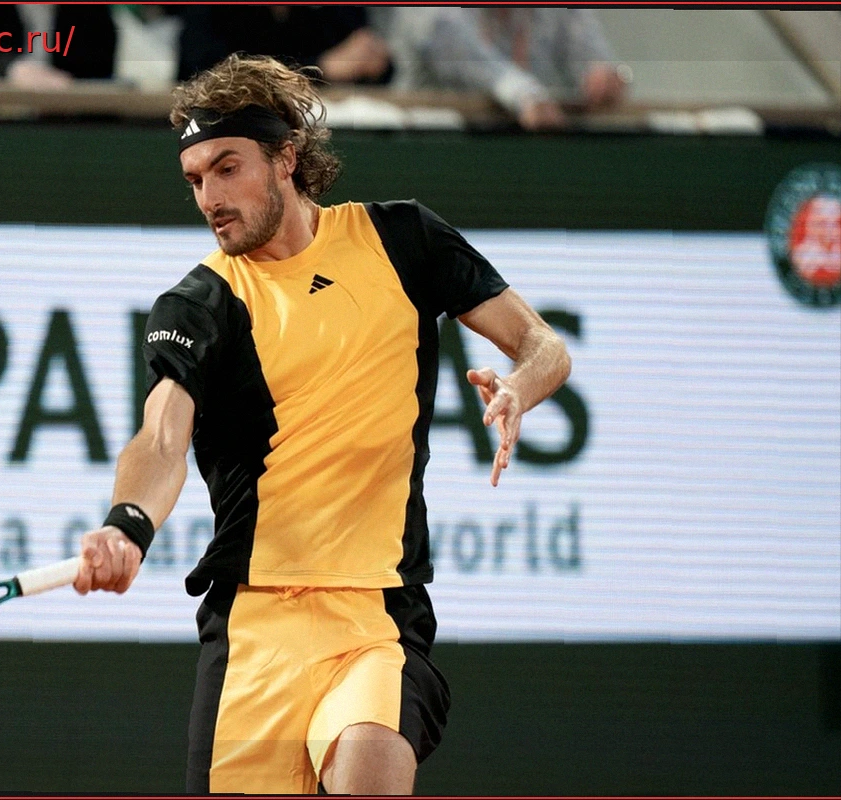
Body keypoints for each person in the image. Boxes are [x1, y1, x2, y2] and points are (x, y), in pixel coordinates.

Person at [73, 54, 571, 794]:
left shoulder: (403, 240)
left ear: (287, 157)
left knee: (370, 764)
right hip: (252, 630)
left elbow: (543, 345)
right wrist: (127, 524)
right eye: (195, 179)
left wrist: (520, 388)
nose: (210, 197)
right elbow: (162, 437)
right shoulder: (200, 304)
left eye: (228, 168)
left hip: (377, 617)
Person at [378, 7, 626, 130]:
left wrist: (606, 76)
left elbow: (595, 58)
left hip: (525, 157)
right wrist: (526, 95)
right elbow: (459, 50)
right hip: (429, 153)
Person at [173, 6, 391, 85]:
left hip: (320, 131)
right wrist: (320, 68)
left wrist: (376, 62)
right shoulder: (212, 11)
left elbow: (368, 61)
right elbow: (202, 71)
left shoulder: (327, 11)